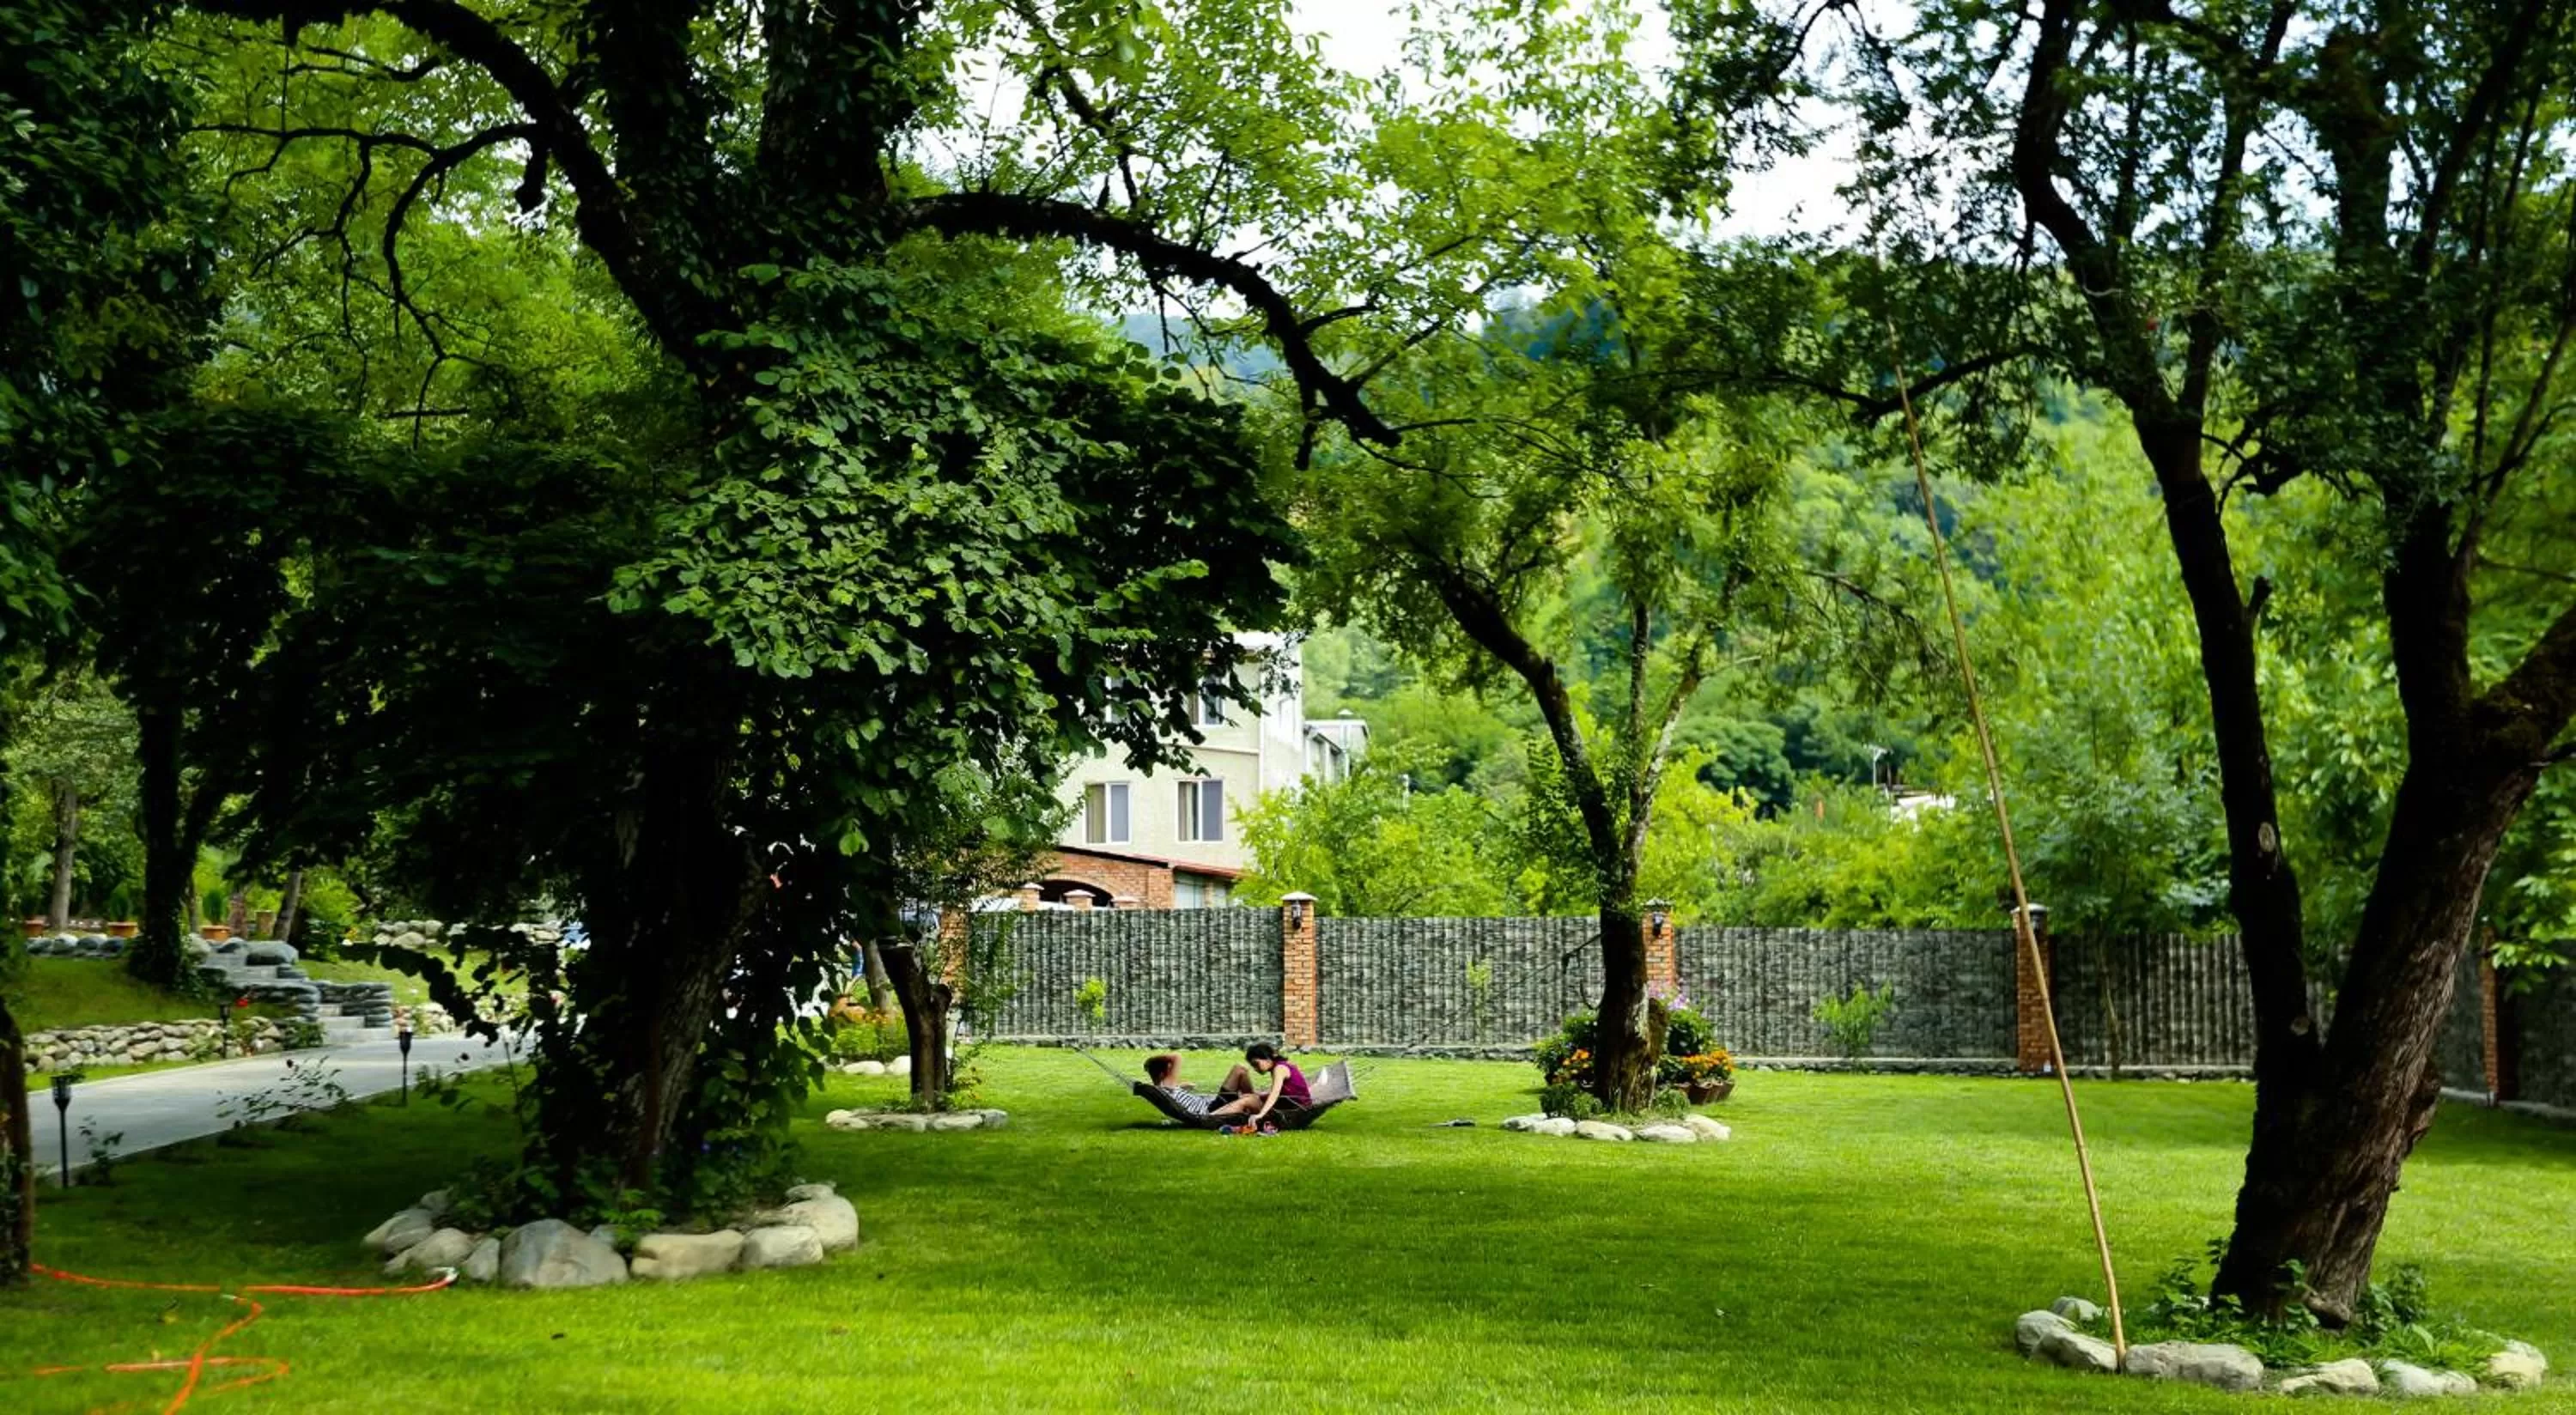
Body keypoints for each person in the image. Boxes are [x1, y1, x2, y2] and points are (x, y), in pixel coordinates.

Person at [1210, 1042, 1310, 1124]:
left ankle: (1209, 1118)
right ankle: (1215, 1113)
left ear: (1267, 1058)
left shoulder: (1279, 1069)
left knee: (1247, 1100)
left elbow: (1275, 1093)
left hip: (1293, 1111)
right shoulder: (1281, 1066)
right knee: (1249, 1097)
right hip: (1291, 1106)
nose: (1255, 1069)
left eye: (1256, 1064)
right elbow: (1286, 1091)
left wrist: (1261, 1115)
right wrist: (1261, 1096)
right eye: (1253, 1066)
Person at [1142, 1053, 1223, 1117]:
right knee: (1236, 1069)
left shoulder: (1162, 1089)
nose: (1171, 1073)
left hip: (1206, 1104)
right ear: (1162, 1075)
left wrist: (1180, 1086)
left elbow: (1174, 1090)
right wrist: (1151, 1060)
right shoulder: (1167, 1085)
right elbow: (1177, 1056)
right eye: (1169, 1070)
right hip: (1210, 1107)